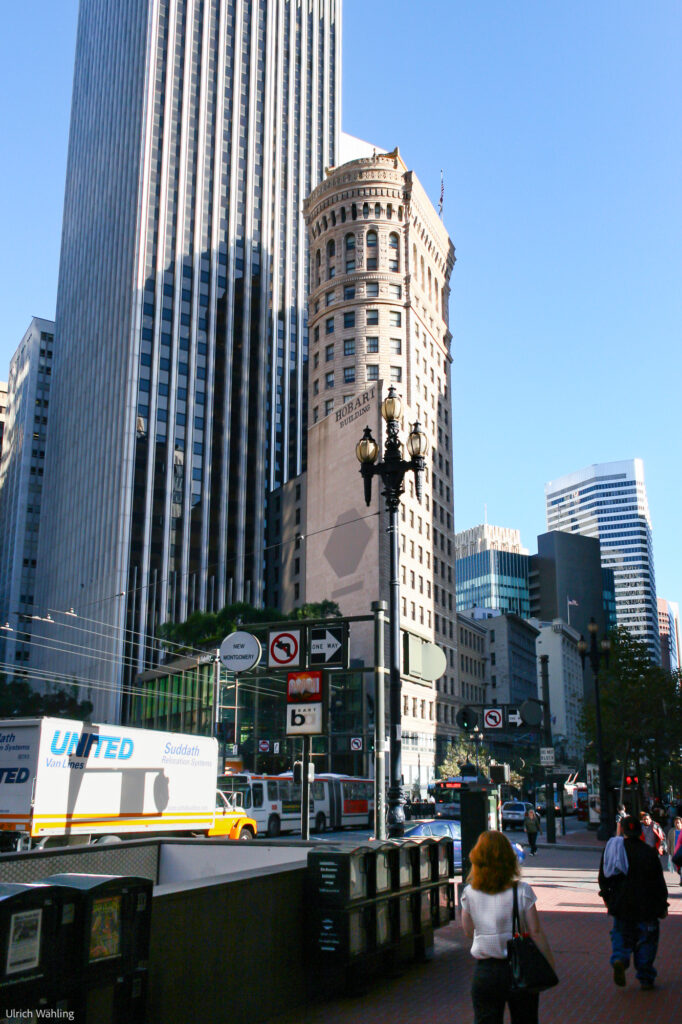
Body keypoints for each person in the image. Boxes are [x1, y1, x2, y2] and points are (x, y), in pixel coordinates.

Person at [461, 830, 555, 1024]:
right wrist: (549, 963)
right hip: (519, 966)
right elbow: (535, 932)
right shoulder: (522, 890)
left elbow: (468, 931)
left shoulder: (469, 892)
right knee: (526, 1019)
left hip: (486, 970)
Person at [598, 815, 668, 990]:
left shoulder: (614, 851)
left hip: (622, 903)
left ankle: (620, 958)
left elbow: (604, 877)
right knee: (646, 940)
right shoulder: (648, 852)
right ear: (639, 831)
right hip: (647, 904)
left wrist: (607, 897)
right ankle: (645, 976)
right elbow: (658, 881)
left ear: (623, 831)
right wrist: (662, 905)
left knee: (621, 933)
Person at [666, 816, 682, 882]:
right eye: (675, 823)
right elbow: (669, 842)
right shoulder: (671, 831)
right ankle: (680, 874)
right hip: (675, 852)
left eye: (678, 822)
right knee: (678, 868)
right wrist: (669, 851)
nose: (677, 824)